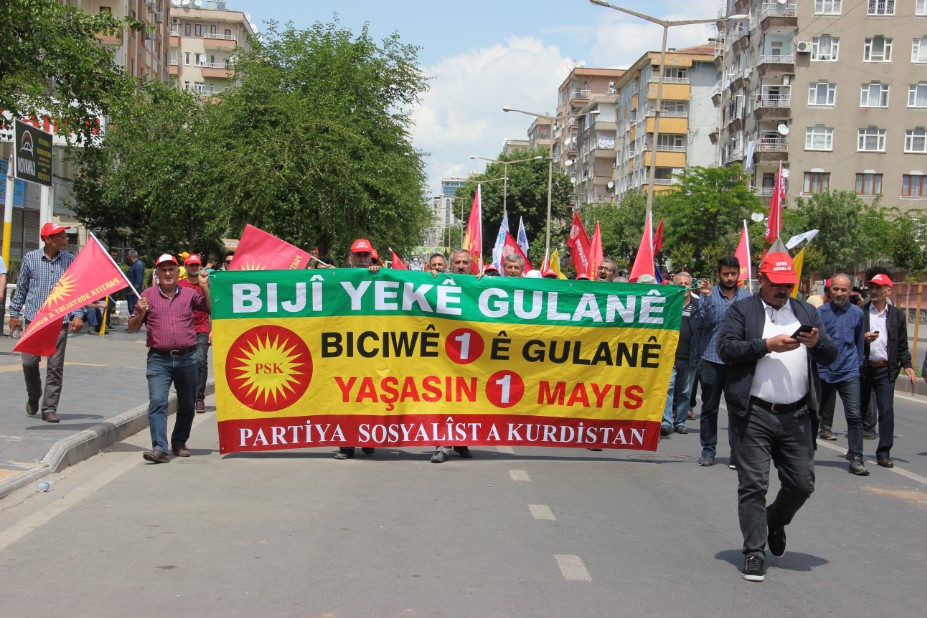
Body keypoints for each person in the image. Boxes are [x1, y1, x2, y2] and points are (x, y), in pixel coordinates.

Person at [717, 250, 836, 582]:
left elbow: (831, 353)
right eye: (777, 284)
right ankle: (754, 551)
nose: (783, 290)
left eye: (788, 285)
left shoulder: (805, 311)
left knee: (802, 484)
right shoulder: (743, 310)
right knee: (753, 484)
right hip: (754, 413)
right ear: (762, 280)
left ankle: (775, 520)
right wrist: (765, 345)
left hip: (797, 415)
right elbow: (726, 348)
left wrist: (816, 343)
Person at [129, 254, 210, 463]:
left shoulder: (189, 294)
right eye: (163, 269)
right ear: (156, 273)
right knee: (157, 401)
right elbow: (132, 328)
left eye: (171, 269)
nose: (167, 273)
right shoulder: (147, 296)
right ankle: (160, 448)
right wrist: (141, 312)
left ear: (177, 272)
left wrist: (205, 287)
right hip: (159, 360)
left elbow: (212, 309)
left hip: (187, 358)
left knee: (186, 403)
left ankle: (179, 442)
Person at [8, 223, 86, 423]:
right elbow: (22, 288)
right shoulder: (31, 259)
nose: (65, 240)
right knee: (28, 363)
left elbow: (78, 291)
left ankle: (49, 408)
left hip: (59, 322)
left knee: (55, 366)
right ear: (48, 239)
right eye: (60, 237)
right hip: (34, 320)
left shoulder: (69, 261)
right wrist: (14, 314)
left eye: (65, 236)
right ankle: (34, 395)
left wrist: (78, 314)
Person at [696, 256, 752, 467]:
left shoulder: (747, 297)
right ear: (719, 274)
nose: (729, 278)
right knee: (709, 408)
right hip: (711, 359)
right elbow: (702, 323)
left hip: (738, 361)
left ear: (739, 274)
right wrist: (708, 298)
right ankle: (708, 451)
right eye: (725, 274)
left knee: (737, 410)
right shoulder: (708, 296)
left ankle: (736, 454)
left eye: (733, 274)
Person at [815, 274, 869, 475]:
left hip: (848, 371)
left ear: (850, 291)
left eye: (843, 290)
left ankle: (856, 457)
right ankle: (805, 456)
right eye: (835, 289)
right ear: (829, 290)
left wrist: (858, 365)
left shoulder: (857, 314)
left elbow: (859, 343)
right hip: (822, 371)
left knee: (854, 416)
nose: (839, 293)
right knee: (813, 414)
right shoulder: (819, 313)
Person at [860, 271, 914, 468]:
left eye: (878, 288)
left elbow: (901, 344)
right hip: (864, 369)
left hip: (885, 370)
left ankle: (883, 452)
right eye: (871, 287)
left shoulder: (897, 316)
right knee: (857, 411)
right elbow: (851, 339)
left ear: (887, 291)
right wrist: (862, 339)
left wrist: (907, 365)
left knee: (886, 411)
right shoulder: (861, 311)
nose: (873, 291)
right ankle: (855, 450)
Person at [335, 239, 380, 460]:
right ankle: (347, 445)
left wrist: (379, 274)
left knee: (370, 396)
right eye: (358, 255)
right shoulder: (338, 279)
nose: (362, 259)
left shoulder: (380, 276)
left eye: (366, 255)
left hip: (373, 350)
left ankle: (369, 439)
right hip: (345, 349)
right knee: (348, 398)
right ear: (350, 257)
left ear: (371, 256)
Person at [431, 249, 477, 463]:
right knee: (444, 400)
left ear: (471, 265)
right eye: (457, 262)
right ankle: (442, 445)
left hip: (472, 358)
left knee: (465, 401)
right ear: (451, 265)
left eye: (465, 262)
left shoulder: (482, 285)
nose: (460, 266)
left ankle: (460, 442)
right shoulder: (439, 285)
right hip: (443, 356)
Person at [660, 272, 703, 436]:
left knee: (685, 392)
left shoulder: (698, 305)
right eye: (680, 283)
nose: (683, 286)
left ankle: (680, 421)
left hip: (690, 357)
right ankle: (666, 422)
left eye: (686, 283)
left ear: (690, 286)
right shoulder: (669, 304)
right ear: (675, 284)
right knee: (668, 389)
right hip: (670, 356)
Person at [179, 254, 212, 413]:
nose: (193, 268)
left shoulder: (206, 283)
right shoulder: (179, 285)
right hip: (184, 329)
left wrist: (214, 330)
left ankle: (199, 398)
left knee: (200, 360)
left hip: (202, 328)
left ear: (200, 267)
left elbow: (214, 306)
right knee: (183, 364)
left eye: (196, 265)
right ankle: (186, 396)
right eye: (190, 265)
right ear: (185, 267)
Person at [126, 250, 145, 315]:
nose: (127, 257)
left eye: (128, 255)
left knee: (134, 310)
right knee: (131, 310)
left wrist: (135, 289)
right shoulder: (133, 265)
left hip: (134, 293)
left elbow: (139, 278)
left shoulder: (138, 264)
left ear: (132, 256)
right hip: (130, 291)